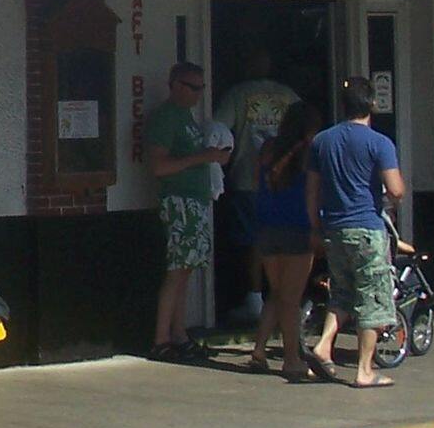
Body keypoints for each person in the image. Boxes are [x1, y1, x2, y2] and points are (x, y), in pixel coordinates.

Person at [305, 78, 408, 389]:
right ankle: (365, 370)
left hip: (334, 228)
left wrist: (315, 226)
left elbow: (311, 190)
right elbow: (396, 189)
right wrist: (393, 195)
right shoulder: (379, 143)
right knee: (373, 299)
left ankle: (324, 345)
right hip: (367, 228)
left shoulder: (321, 141)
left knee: (342, 293)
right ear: (372, 105)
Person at [144, 63, 231, 362]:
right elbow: (159, 166)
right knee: (176, 271)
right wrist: (203, 157)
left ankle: (178, 335)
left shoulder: (187, 118)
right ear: (177, 85)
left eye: (201, 88)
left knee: (186, 272)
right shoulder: (166, 118)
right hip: (178, 201)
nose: (198, 94)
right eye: (193, 88)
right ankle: (160, 339)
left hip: (196, 201)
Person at [240, 101, 323, 380]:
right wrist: (318, 228)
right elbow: (314, 193)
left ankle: (259, 351)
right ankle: (291, 360)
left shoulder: (267, 148)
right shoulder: (310, 154)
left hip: (267, 230)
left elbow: (256, 182)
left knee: (276, 294)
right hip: (297, 229)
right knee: (290, 299)